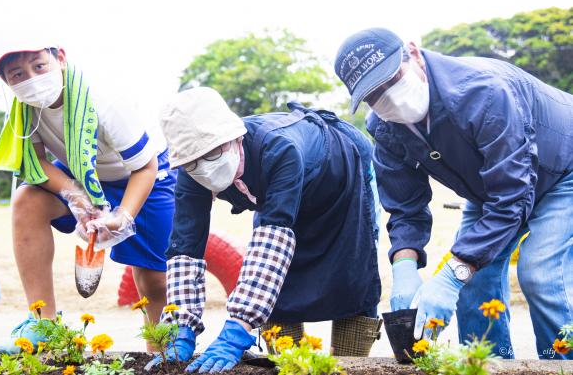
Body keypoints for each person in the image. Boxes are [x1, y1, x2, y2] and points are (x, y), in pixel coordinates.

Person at [334, 27, 573, 360]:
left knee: (540, 274)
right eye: (375, 94)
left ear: (414, 54)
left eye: (392, 79)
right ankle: (487, 364)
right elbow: (405, 206)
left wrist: (450, 275)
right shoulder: (386, 128)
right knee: (473, 279)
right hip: (490, 189)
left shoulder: (483, 92)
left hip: (563, 169)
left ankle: (562, 364)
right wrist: (406, 267)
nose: (388, 97)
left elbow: (512, 197)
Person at [147, 87, 382, 373]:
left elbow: (273, 240)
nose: (204, 168)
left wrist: (237, 329)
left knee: (351, 279)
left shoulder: (279, 148)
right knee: (277, 294)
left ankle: (349, 367)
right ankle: (291, 367)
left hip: (340, 186)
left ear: (234, 138)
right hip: (277, 203)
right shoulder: (191, 171)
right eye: (194, 161)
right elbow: (185, 242)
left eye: (211, 154)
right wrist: (180, 322)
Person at [0, 42, 176, 353]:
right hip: (82, 170)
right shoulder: (23, 108)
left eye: (38, 66)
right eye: (17, 74)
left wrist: (123, 216)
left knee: (154, 282)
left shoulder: (105, 99)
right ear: (6, 82)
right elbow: (37, 161)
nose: (31, 78)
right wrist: (76, 197)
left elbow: (145, 166)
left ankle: (162, 355)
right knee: (26, 201)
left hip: (144, 173)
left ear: (59, 58)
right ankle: (42, 323)